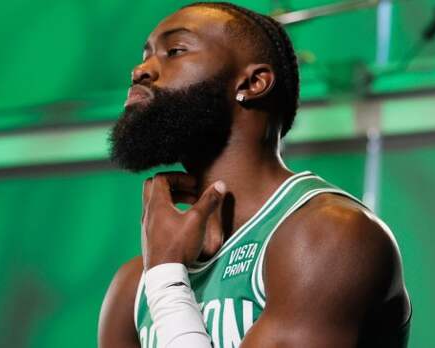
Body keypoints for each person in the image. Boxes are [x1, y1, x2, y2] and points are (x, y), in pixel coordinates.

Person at [98, 2, 411, 347]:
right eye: (145, 55)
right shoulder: (133, 287)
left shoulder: (329, 237)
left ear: (253, 82)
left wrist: (166, 282)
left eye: (174, 51)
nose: (140, 70)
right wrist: (160, 274)